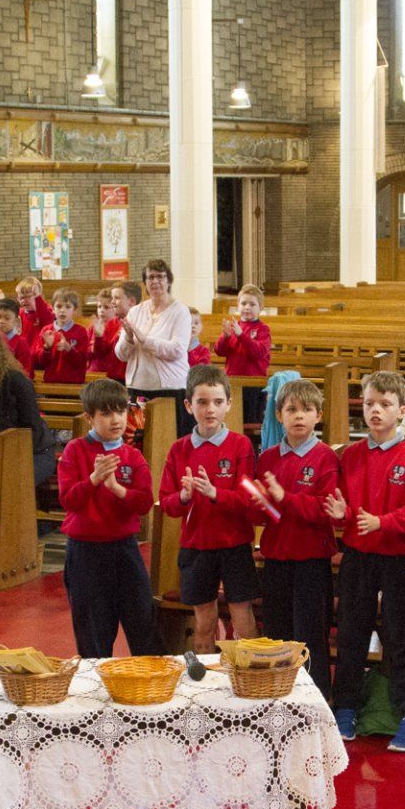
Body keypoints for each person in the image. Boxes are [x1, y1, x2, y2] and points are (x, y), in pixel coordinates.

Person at [328, 371, 405, 751]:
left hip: (397, 558)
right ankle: (346, 706)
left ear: (402, 411)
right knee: (352, 632)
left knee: (401, 635)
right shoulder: (351, 455)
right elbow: (342, 510)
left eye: (385, 405)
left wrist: (383, 522)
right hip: (358, 555)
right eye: (370, 403)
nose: (375, 411)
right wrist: (340, 513)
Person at [159, 364, 258, 653]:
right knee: (203, 624)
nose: (210, 409)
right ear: (189, 406)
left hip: (234, 544)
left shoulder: (241, 446)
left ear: (229, 404)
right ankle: (208, 688)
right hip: (197, 546)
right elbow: (167, 503)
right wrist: (184, 496)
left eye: (217, 402)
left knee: (242, 620)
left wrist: (216, 493)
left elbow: (247, 501)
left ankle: (249, 685)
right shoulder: (178, 449)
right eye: (202, 402)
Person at [59, 378, 158, 659]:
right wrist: (93, 479)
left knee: (141, 619)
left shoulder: (133, 456)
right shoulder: (75, 451)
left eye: (120, 411)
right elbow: (68, 500)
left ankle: (148, 686)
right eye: (105, 413)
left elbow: (143, 503)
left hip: (124, 548)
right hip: (85, 551)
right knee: (93, 628)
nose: (116, 420)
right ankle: (96, 692)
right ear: (90, 417)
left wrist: (117, 488)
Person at [253, 379, 339, 692]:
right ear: (279, 415)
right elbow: (266, 514)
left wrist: (284, 497)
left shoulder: (326, 457)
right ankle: (278, 692)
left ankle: (315, 697)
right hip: (276, 557)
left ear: (318, 415)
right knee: (276, 631)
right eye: (291, 410)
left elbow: (323, 509)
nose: (299, 416)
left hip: (311, 560)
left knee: (310, 633)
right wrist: (257, 503)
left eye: (307, 410)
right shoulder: (268, 458)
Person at [0, 327, 57, 498]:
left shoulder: (16, 381)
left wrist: (9, 458)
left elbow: (32, 427)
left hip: (33, 453)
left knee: (3, 493)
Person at [117, 259, 192, 408]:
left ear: (169, 281)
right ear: (145, 283)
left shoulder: (180, 311)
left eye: (160, 276)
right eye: (150, 277)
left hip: (170, 389)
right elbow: (121, 355)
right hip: (137, 386)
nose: (155, 281)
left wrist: (145, 340)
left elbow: (177, 350)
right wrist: (128, 338)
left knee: (169, 431)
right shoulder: (135, 311)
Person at [214, 284, 274, 430]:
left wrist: (241, 335)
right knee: (231, 421)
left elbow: (258, 353)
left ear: (261, 308)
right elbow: (219, 351)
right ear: (237, 306)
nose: (247, 307)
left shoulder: (263, 329)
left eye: (252, 304)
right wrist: (226, 337)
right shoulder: (234, 327)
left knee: (250, 423)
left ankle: (251, 451)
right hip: (232, 381)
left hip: (252, 383)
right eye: (243, 303)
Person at [31, 290, 92, 385]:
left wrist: (69, 349)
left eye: (68, 307)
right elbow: (40, 363)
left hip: (74, 383)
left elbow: (82, 362)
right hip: (50, 382)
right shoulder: (46, 331)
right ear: (53, 309)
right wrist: (47, 348)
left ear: (74, 310)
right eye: (59, 306)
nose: (62, 310)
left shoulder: (81, 331)